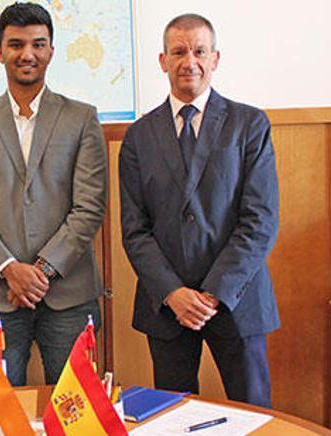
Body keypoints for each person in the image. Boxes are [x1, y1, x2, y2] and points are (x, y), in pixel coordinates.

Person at [118, 13, 280, 407]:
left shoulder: (249, 124)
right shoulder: (139, 136)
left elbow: (259, 220)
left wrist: (212, 294)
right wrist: (174, 293)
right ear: (163, 61)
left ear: (215, 58)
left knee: (253, 417)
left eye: (199, 51)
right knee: (172, 423)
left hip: (237, 300)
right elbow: (135, 229)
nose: (189, 60)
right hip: (167, 307)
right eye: (178, 51)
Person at [0, 2, 107, 386]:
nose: (27, 54)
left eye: (38, 44)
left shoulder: (82, 118)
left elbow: (89, 208)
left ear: (51, 50)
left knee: (75, 412)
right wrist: (10, 269)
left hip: (69, 293)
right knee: (1, 419)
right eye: (16, 44)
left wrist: (40, 271)